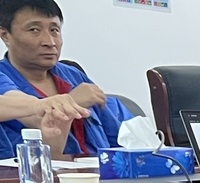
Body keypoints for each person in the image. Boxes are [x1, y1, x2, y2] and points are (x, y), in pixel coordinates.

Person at [0, 0, 131, 158]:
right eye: (34, 30)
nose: (50, 42)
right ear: (5, 35)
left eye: (54, 30)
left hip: (102, 171)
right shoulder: (4, 81)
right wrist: (69, 102)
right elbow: (39, 156)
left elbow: (122, 140)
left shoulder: (74, 75)